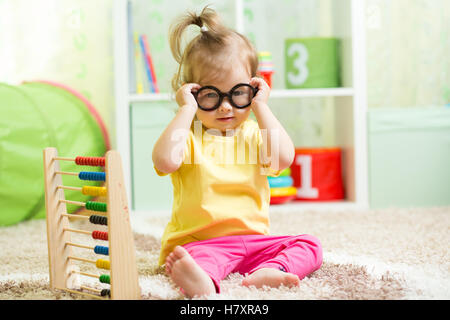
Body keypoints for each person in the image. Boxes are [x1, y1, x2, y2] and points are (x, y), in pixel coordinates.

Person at [152, 6, 322, 298]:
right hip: (202, 243)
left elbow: (283, 159)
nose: (226, 106)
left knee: (310, 245)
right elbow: (165, 161)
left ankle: (271, 270)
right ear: (192, 93)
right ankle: (202, 281)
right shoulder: (188, 139)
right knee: (193, 261)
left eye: (238, 93)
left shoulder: (256, 134)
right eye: (210, 96)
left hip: (255, 243)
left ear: (253, 89)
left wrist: (262, 107)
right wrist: (186, 110)